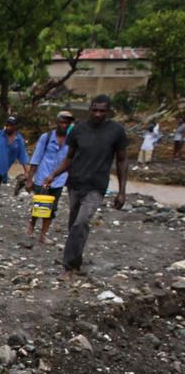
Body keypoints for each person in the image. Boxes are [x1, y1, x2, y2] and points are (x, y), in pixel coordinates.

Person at [40, 94, 128, 281]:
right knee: (74, 225)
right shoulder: (79, 129)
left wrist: (122, 191)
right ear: (90, 109)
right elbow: (69, 158)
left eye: (102, 111)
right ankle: (76, 262)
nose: (97, 114)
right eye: (94, 110)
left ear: (108, 111)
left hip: (96, 186)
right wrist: (53, 175)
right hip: (74, 183)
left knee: (81, 223)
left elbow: (121, 160)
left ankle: (68, 268)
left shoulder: (116, 131)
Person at [23, 111, 73, 247]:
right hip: (43, 176)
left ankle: (43, 234)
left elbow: (71, 159)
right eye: (62, 122)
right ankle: (32, 224)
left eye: (67, 123)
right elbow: (36, 158)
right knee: (39, 204)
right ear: (57, 123)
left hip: (59, 179)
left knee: (52, 208)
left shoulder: (72, 139)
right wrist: (29, 179)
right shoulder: (46, 137)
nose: (64, 125)